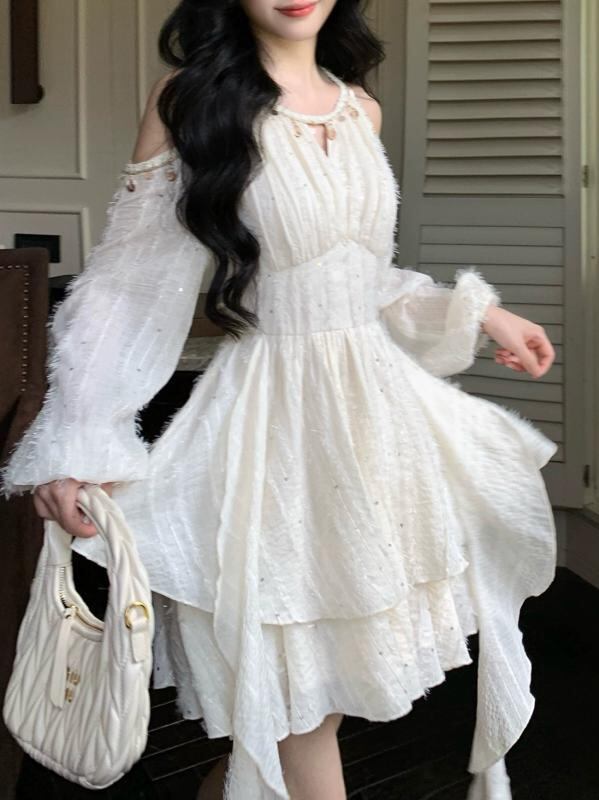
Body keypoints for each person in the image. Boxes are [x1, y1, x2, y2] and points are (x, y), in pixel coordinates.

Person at [0, 1, 558, 798]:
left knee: (317, 692)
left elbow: (359, 278)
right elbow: (127, 287)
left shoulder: (358, 107)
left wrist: (481, 314)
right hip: (271, 426)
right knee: (296, 698)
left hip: (372, 427)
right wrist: (78, 439)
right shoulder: (190, 100)